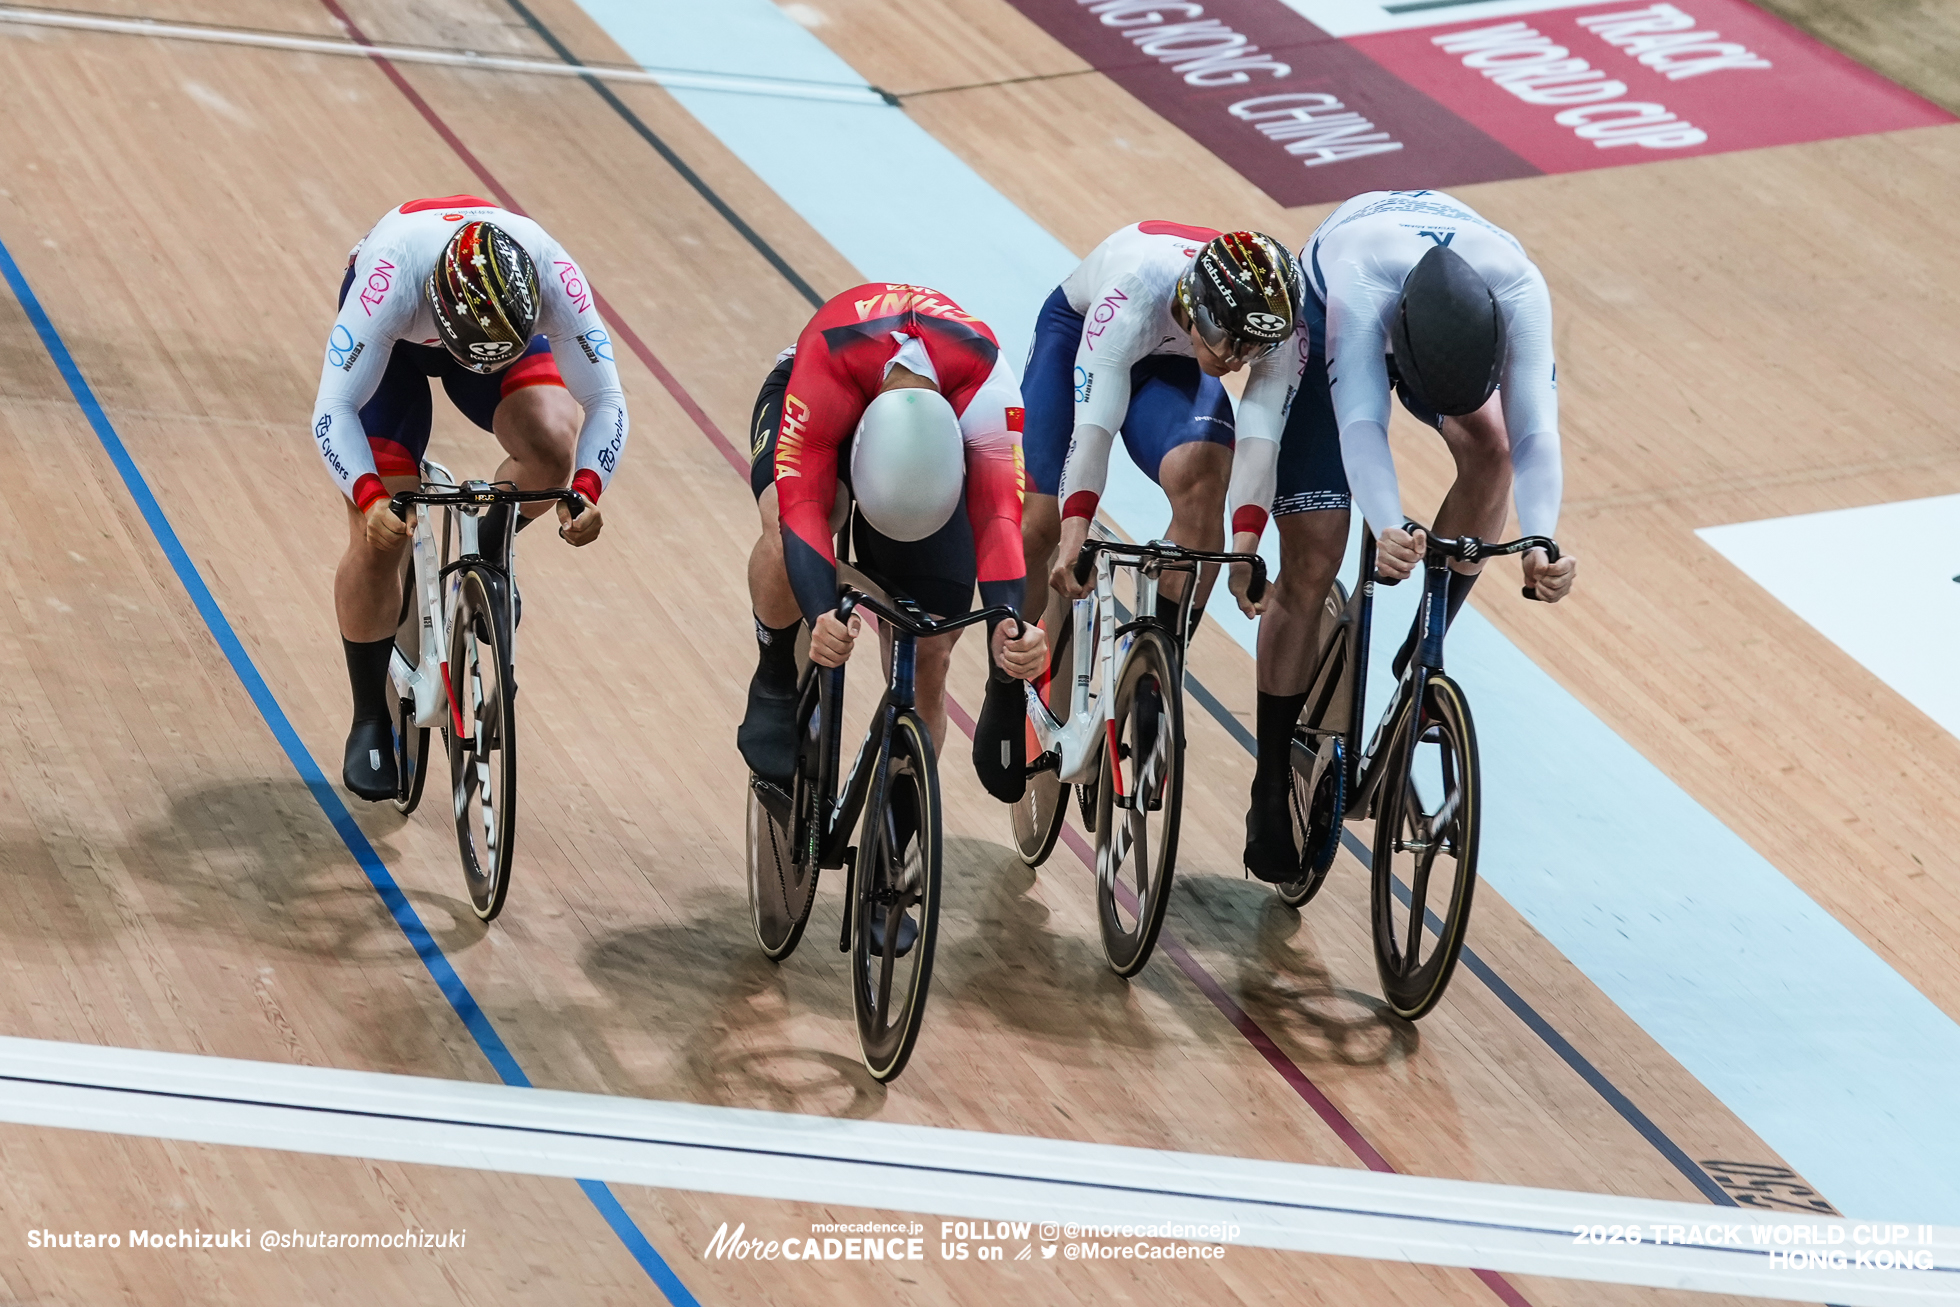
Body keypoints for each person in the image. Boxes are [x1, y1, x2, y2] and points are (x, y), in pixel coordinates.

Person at [1225, 189, 1578, 882]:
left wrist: (1542, 540)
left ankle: (1426, 640)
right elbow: (1362, 424)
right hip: (1334, 311)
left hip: (1443, 317)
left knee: (1493, 449)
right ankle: (1269, 779)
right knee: (1315, 553)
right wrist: (1389, 524)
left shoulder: (1520, 289)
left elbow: (1535, 433)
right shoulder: (1359, 281)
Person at [310, 196, 625, 801]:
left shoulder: (553, 275)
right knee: (380, 535)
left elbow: (606, 401)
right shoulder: (390, 279)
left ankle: (486, 548)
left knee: (551, 446)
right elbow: (333, 409)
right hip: (399, 344)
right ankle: (369, 715)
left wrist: (587, 487)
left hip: (492, 324)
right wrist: (370, 498)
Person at [739, 282, 1047, 807]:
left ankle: (901, 820)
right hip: (820, 390)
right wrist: (819, 616)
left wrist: (1007, 629)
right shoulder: (827, 364)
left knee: (930, 648)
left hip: (935, 414)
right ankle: (774, 671)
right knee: (788, 522)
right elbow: (802, 509)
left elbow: (998, 519)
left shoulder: (989, 389)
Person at [1021, 225, 1307, 634]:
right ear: (1195, 305)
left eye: (1253, 349)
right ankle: (1011, 666)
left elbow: (1261, 442)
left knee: (1203, 481)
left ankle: (1158, 658)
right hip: (1082, 334)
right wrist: (1074, 531)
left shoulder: (1281, 328)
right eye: (1228, 340)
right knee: (1038, 525)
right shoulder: (1134, 290)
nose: (1235, 362)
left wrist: (1244, 557)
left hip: (1177, 355)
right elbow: (1092, 434)